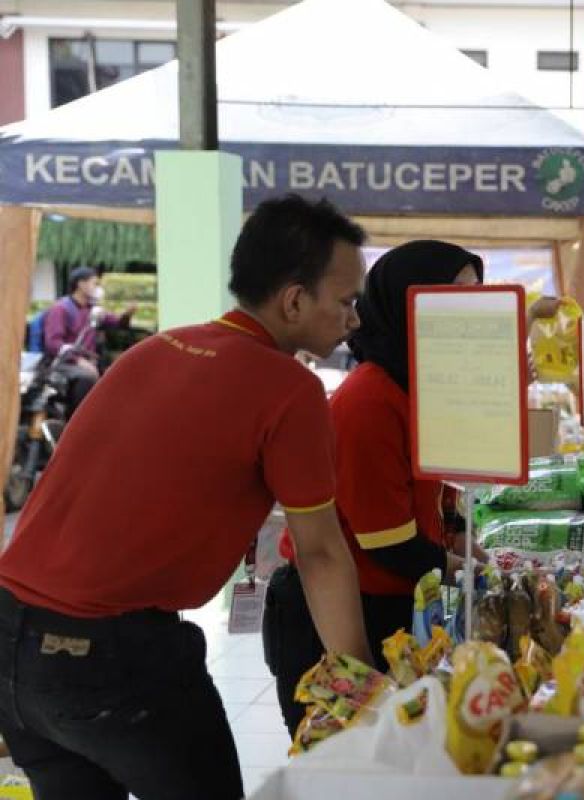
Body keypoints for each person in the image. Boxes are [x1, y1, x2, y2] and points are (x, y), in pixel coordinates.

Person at [0, 194, 372, 800]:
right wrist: (358, 694)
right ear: (295, 300)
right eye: (347, 300)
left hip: (11, 640)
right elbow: (321, 554)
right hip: (112, 656)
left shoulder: (157, 348)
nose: (354, 318)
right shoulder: (289, 389)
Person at [264, 240, 484, 735]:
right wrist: (471, 571)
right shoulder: (369, 400)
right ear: (408, 304)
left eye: (477, 297)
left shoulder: (418, 387)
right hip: (337, 615)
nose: (469, 314)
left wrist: (462, 535)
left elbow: (435, 489)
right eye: (454, 298)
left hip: (391, 602)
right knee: (343, 760)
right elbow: (389, 544)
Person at [41, 266, 136, 418]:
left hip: (89, 362)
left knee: (118, 376)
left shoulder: (92, 310)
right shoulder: (61, 309)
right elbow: (53, 343)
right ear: (81, 284)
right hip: (64, 363)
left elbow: (117, 323)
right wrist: (78, 360)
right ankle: (76, 421)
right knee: (87, 377)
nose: (97, 288)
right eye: (94, 283)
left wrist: (127, 315)